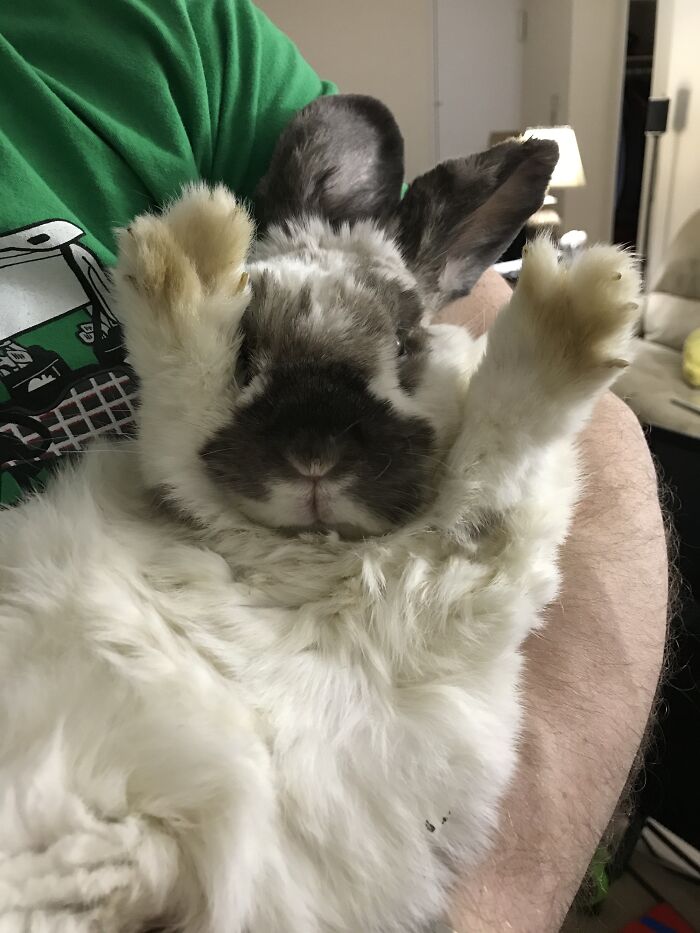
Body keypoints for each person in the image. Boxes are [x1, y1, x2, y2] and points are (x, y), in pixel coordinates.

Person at [0, 1, 666, 929]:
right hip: (130, 674)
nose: (316, 453)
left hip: (327, 747)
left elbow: (566, 487)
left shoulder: (165, 29)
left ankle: (526, 407)